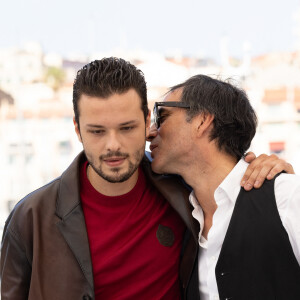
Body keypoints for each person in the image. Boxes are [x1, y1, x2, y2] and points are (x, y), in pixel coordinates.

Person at [0, 58, 293, 300]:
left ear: (144, 122)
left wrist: (272, 177)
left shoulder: (185, 194)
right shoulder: (30, 219)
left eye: (127, 128)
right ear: (77, 130)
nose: (112, 145)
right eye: (97, 131)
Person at [148, 74, 300, 300]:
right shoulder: (181, 221)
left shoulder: (285, 196)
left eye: (162, 116)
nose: (150, 132)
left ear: (202, 121)